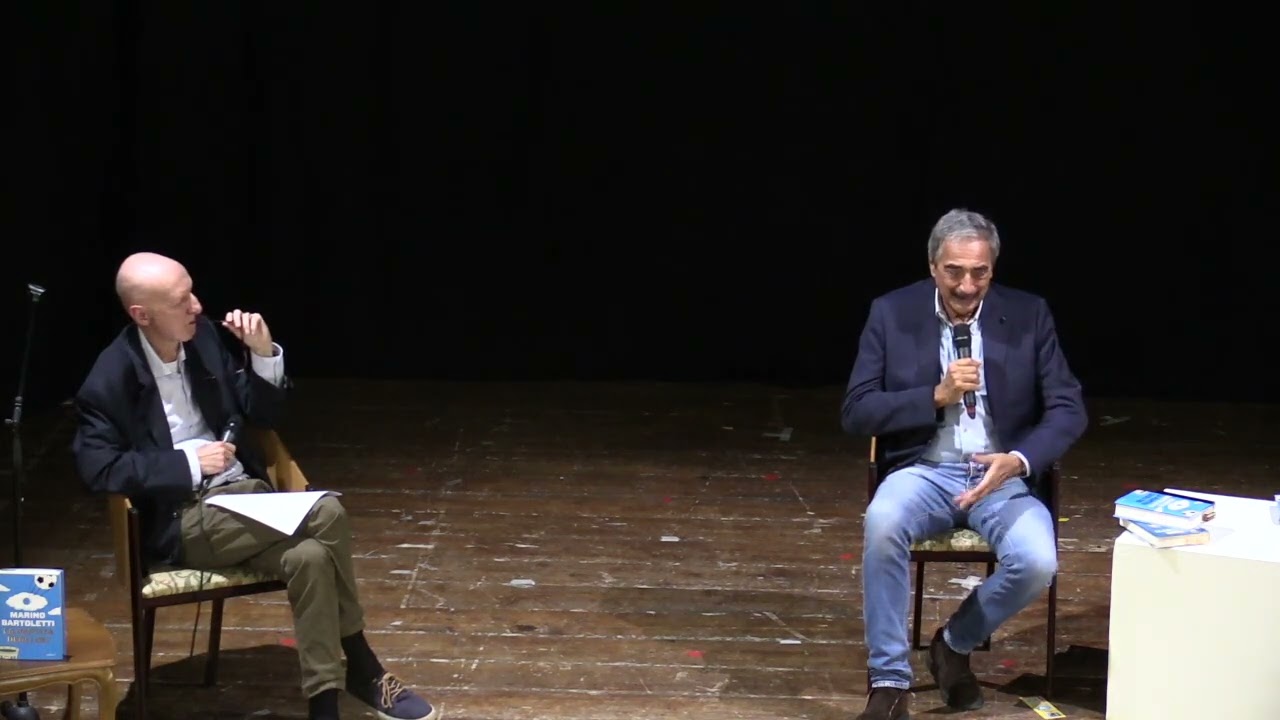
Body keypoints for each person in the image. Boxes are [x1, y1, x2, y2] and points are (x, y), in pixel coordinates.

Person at [72, 252, 438, 720]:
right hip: (184, 517)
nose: (197, 306)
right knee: (326, 510)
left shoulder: (202, 339)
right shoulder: (109, 378)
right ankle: (363, 666)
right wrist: (188, 462)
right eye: (181, 301)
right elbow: (98, 468)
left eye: (192, 292)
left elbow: (262, 416)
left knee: (310, 557)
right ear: (142, 315)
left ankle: (324, 704)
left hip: (246, 501)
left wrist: (262, 355)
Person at [841, 209, 1087, 719]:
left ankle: (953, 643)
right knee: (882, 523)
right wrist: (935, 395)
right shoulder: (891, 313)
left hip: (1001, 478)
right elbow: (857, 410)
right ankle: (889, 682)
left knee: (1037, 561)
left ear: (992, 269)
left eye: (980, 272)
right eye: (954, 271)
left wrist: (1017, 460)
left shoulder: (1028, 314)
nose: (967, 286)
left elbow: (1068, 408)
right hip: (924, 471)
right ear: (933, 266)